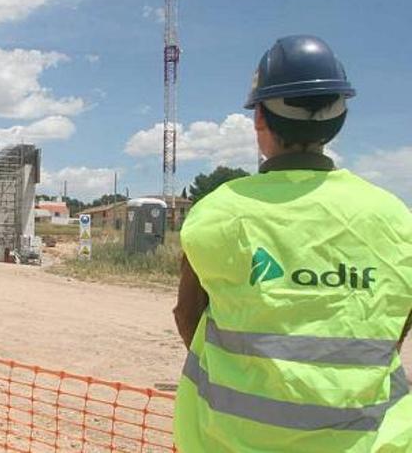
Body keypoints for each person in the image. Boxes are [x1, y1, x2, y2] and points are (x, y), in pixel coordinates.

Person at [172, 35, 412, 452]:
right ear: (340, 118)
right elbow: (397, 324)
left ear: (259, 118)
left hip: (229, 441)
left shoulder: (218, 212)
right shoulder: (395, 218)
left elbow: (187, 314)